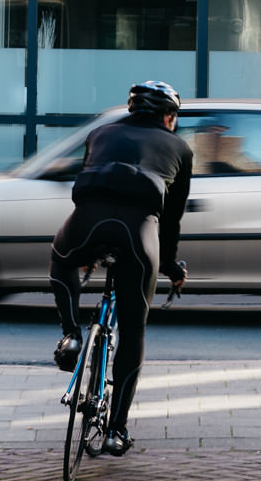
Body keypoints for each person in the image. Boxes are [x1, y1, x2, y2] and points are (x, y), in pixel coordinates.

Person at [49, 81, 193, 457]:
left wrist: (91, 250)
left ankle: (71, 336)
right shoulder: (180, 148)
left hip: (86, 224)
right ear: (169, 117)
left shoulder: (100, 134)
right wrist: (170, 265)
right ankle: (116, 430)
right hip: (138, 235)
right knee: (132, 332)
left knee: (61, 258)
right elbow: (172, 220)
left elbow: (89, 181)